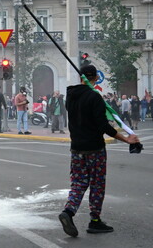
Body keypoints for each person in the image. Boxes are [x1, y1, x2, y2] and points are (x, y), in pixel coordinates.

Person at [59, 65, 140, 237]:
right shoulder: (94, 97)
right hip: (95, 149)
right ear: (95, 78)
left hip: (77, 148)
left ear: (81, 78)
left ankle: (68, 212)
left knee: (79, 183)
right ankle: (95, 221)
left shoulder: (70, 96)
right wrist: (127, 139)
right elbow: (103, 126)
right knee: (96, 184)